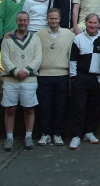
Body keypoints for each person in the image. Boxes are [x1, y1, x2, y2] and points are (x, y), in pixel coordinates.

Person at [0, 11, 42, 151]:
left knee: (29, 108)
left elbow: (38, 57)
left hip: (29, 79)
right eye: (20, 20)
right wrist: (16, 71)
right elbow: (5, 59)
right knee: (11, 109)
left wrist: (28, 70)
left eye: (25, 20)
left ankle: (28, 136)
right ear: (16, 21)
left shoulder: (35, 38)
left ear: (28, 22)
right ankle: (9, 138)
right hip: (11, 79)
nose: (22, 23)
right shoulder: (7, 39)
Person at [36, 8, 75, 146]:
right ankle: (45, 133)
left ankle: (58, 134)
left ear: (60, 19)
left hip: (62, 75)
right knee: (44, 106)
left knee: (61, 106)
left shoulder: (69, 34)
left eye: (56, 18)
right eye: (51, 18)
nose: (53, 21)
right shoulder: (39, 35)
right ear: (47, 19)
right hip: (44, 75)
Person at [68, 13, 100, 150]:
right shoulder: (78, 39)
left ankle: (89, 132)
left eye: (95, 23)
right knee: (78, 107)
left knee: (94, 108)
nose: (93, 25)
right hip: (81, 78)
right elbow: (73, 59)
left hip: (98, 79)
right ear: (86, 23)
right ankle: (76, 135)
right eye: (90, 22)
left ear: (99, 24)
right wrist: (74, 77)